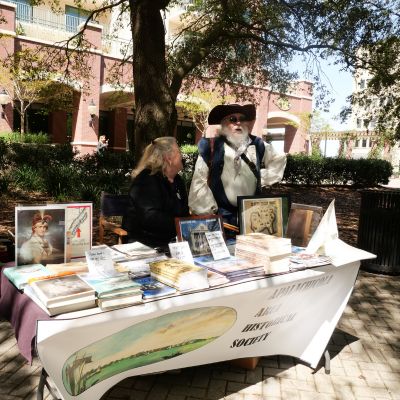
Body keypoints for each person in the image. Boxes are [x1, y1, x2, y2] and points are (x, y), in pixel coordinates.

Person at [189, 103, 287, 225]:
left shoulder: (257, 144)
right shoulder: (210, 146)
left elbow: (279, 158)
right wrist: (209, 214)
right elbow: (199, 182)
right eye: (233, 119)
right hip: (221, 219)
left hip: (251, 217)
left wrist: (261, 178)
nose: (238, 123)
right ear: (224, 123)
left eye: (242, 119)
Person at [122, 137, 189, 248]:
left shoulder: (178, 181)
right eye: (179, 152)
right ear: (168, 158)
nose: (182, 156)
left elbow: (184, 213)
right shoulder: (147, 179)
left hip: (173, 242)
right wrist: (180, 224)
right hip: (146, 244)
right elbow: (150, 218)